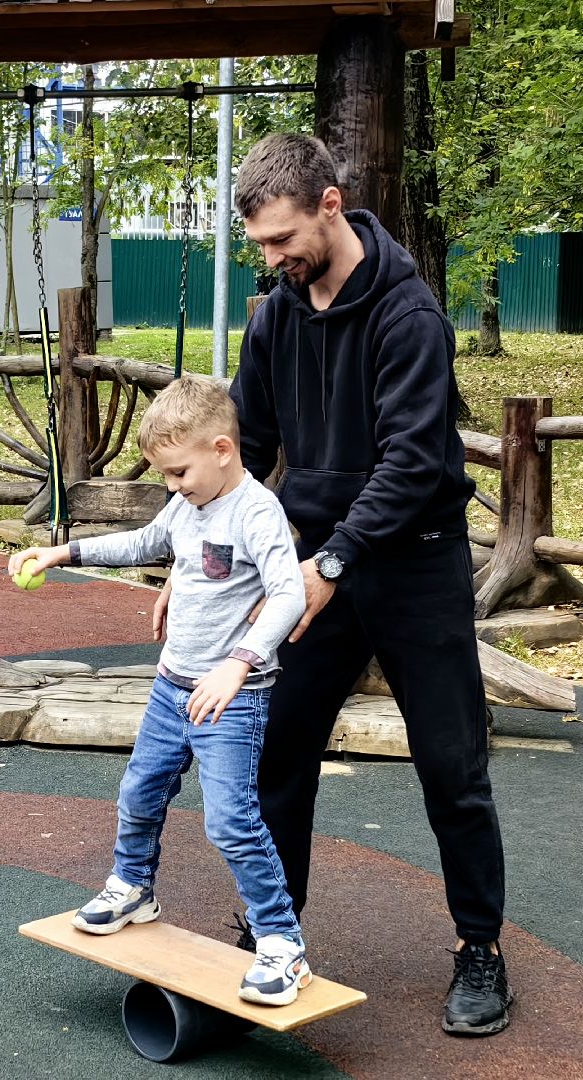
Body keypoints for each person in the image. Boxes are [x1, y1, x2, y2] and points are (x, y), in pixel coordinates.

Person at [222, 132, 513, 1035]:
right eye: (260, 246)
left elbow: (415, 460)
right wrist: (210, 557)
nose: (271, 261)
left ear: (331, 204)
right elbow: (246, 447)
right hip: (312, 561)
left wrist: (334, 563)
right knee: (280, 756)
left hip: (413, 561)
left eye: (282, 240)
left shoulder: (408, 313)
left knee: (451, 768)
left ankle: (480, 952)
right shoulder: (276, 313)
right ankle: (274, 935)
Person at [9, 376, 311, 1006]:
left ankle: (281, 943)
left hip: (232, 695)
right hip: (172, 687)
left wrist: (238, 664)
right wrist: (64, 552)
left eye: (179, 472)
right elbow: (147, 542)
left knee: (230, 823)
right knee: (139, 791)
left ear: (222, 449)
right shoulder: (188, 504)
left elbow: (287, 594)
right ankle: (132, 887)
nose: (172, 486)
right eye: (166, 476)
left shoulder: (256, 512)